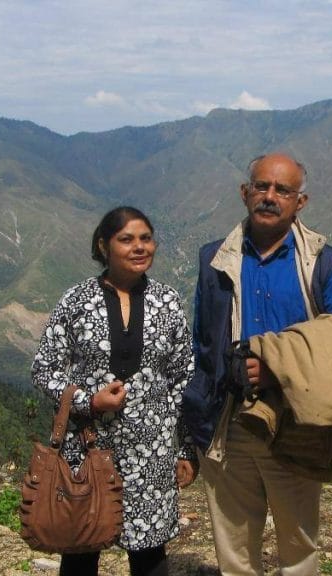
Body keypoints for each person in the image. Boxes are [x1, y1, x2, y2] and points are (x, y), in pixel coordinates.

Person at [182, 153, 332, 575]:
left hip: (295, 424)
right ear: (245, 193)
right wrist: (193, 427)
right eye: (261, 187)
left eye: (283, 190)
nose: (270, 197)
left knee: (297, 547)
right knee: (234, 549)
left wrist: (279, 367)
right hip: (230, 422)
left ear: (301, 202)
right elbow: (202, 343)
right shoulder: (214, 259)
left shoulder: (326, 264)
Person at [31, 206, 196, 576]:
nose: (139, 247)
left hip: (151, 451)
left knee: (150, 552)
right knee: (81, 546)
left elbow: (183, 377)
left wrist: (186, 448)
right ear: (104, 246)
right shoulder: (77, 300)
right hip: (88, 444)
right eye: (127, 239)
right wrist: (87, 401)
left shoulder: (167, 301)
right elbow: (44, 368)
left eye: (145, 238)